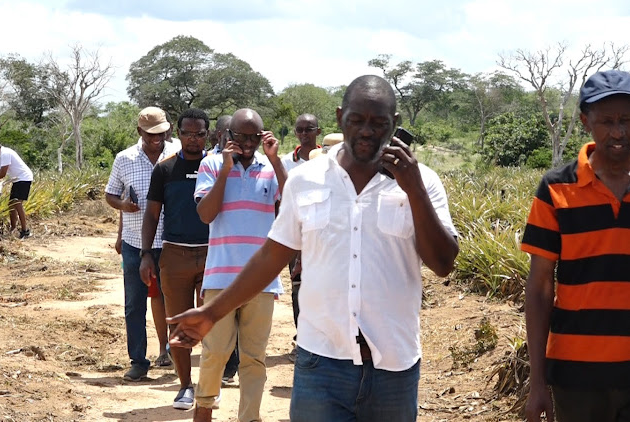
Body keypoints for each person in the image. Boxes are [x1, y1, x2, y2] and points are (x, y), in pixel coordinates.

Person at [169, 75, 459, 422]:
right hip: (321, 365)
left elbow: (442, 262)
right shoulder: (306, 180)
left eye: (379, 123)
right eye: (357, 121)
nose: (367, 131)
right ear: (339, 117)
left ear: (395, 123)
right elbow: (271, 256)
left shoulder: (422, 180)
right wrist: (212, 313)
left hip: (394, 366)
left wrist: (413, 190)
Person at [521, 69, 630, 422]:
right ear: (586, 122)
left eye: (628, 120)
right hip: (576, 378)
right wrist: (537, 383)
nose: (618, 132)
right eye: (606, 121)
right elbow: (539, 288)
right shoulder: (556, 189)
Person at [188, 108, 287, 422]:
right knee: (215, 351)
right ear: (226, 137)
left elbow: (294, 206)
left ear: (262, 137)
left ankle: (249, 417)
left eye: (253, 137)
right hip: (221, 277)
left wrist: (275, 160)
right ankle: (204, 407)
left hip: (262, 280)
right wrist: (226, 170)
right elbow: (206, 214)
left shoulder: (270, 168)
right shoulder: (212, 164)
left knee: (254, 358)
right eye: (240, 136)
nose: (246, 143)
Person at [139, 108, 211, 410]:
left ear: (209, 135)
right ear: (176, 134)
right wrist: (145, 255)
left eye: (199, 133)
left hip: (213, 254)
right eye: (187, 133)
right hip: (175, 255)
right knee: (179, 324)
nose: (193, 139)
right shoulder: (165, 170)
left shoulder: (217, 166)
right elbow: (152, 214)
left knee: (213, 324)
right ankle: (185, 387)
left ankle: (210, 385)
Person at [105, 106, 180, 381]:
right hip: (135, 243)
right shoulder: (124, 158)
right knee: (134, 304)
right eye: (150, 135)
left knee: (174, 302)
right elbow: (110, 194)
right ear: (140, 132)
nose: (156, 139)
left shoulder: (179, 153)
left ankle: (174, 353)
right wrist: (123, 205)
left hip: (173, 242)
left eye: (161, 133)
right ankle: (138, 361)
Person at [279, 114, 322, 352]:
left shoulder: (327, 160)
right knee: (298, 287)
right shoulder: (286, 162)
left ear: (318, 131)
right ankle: (302, 340)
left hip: (322, 233)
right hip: (296, 233)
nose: (304, 134)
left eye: (309, 129)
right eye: (300, 130)